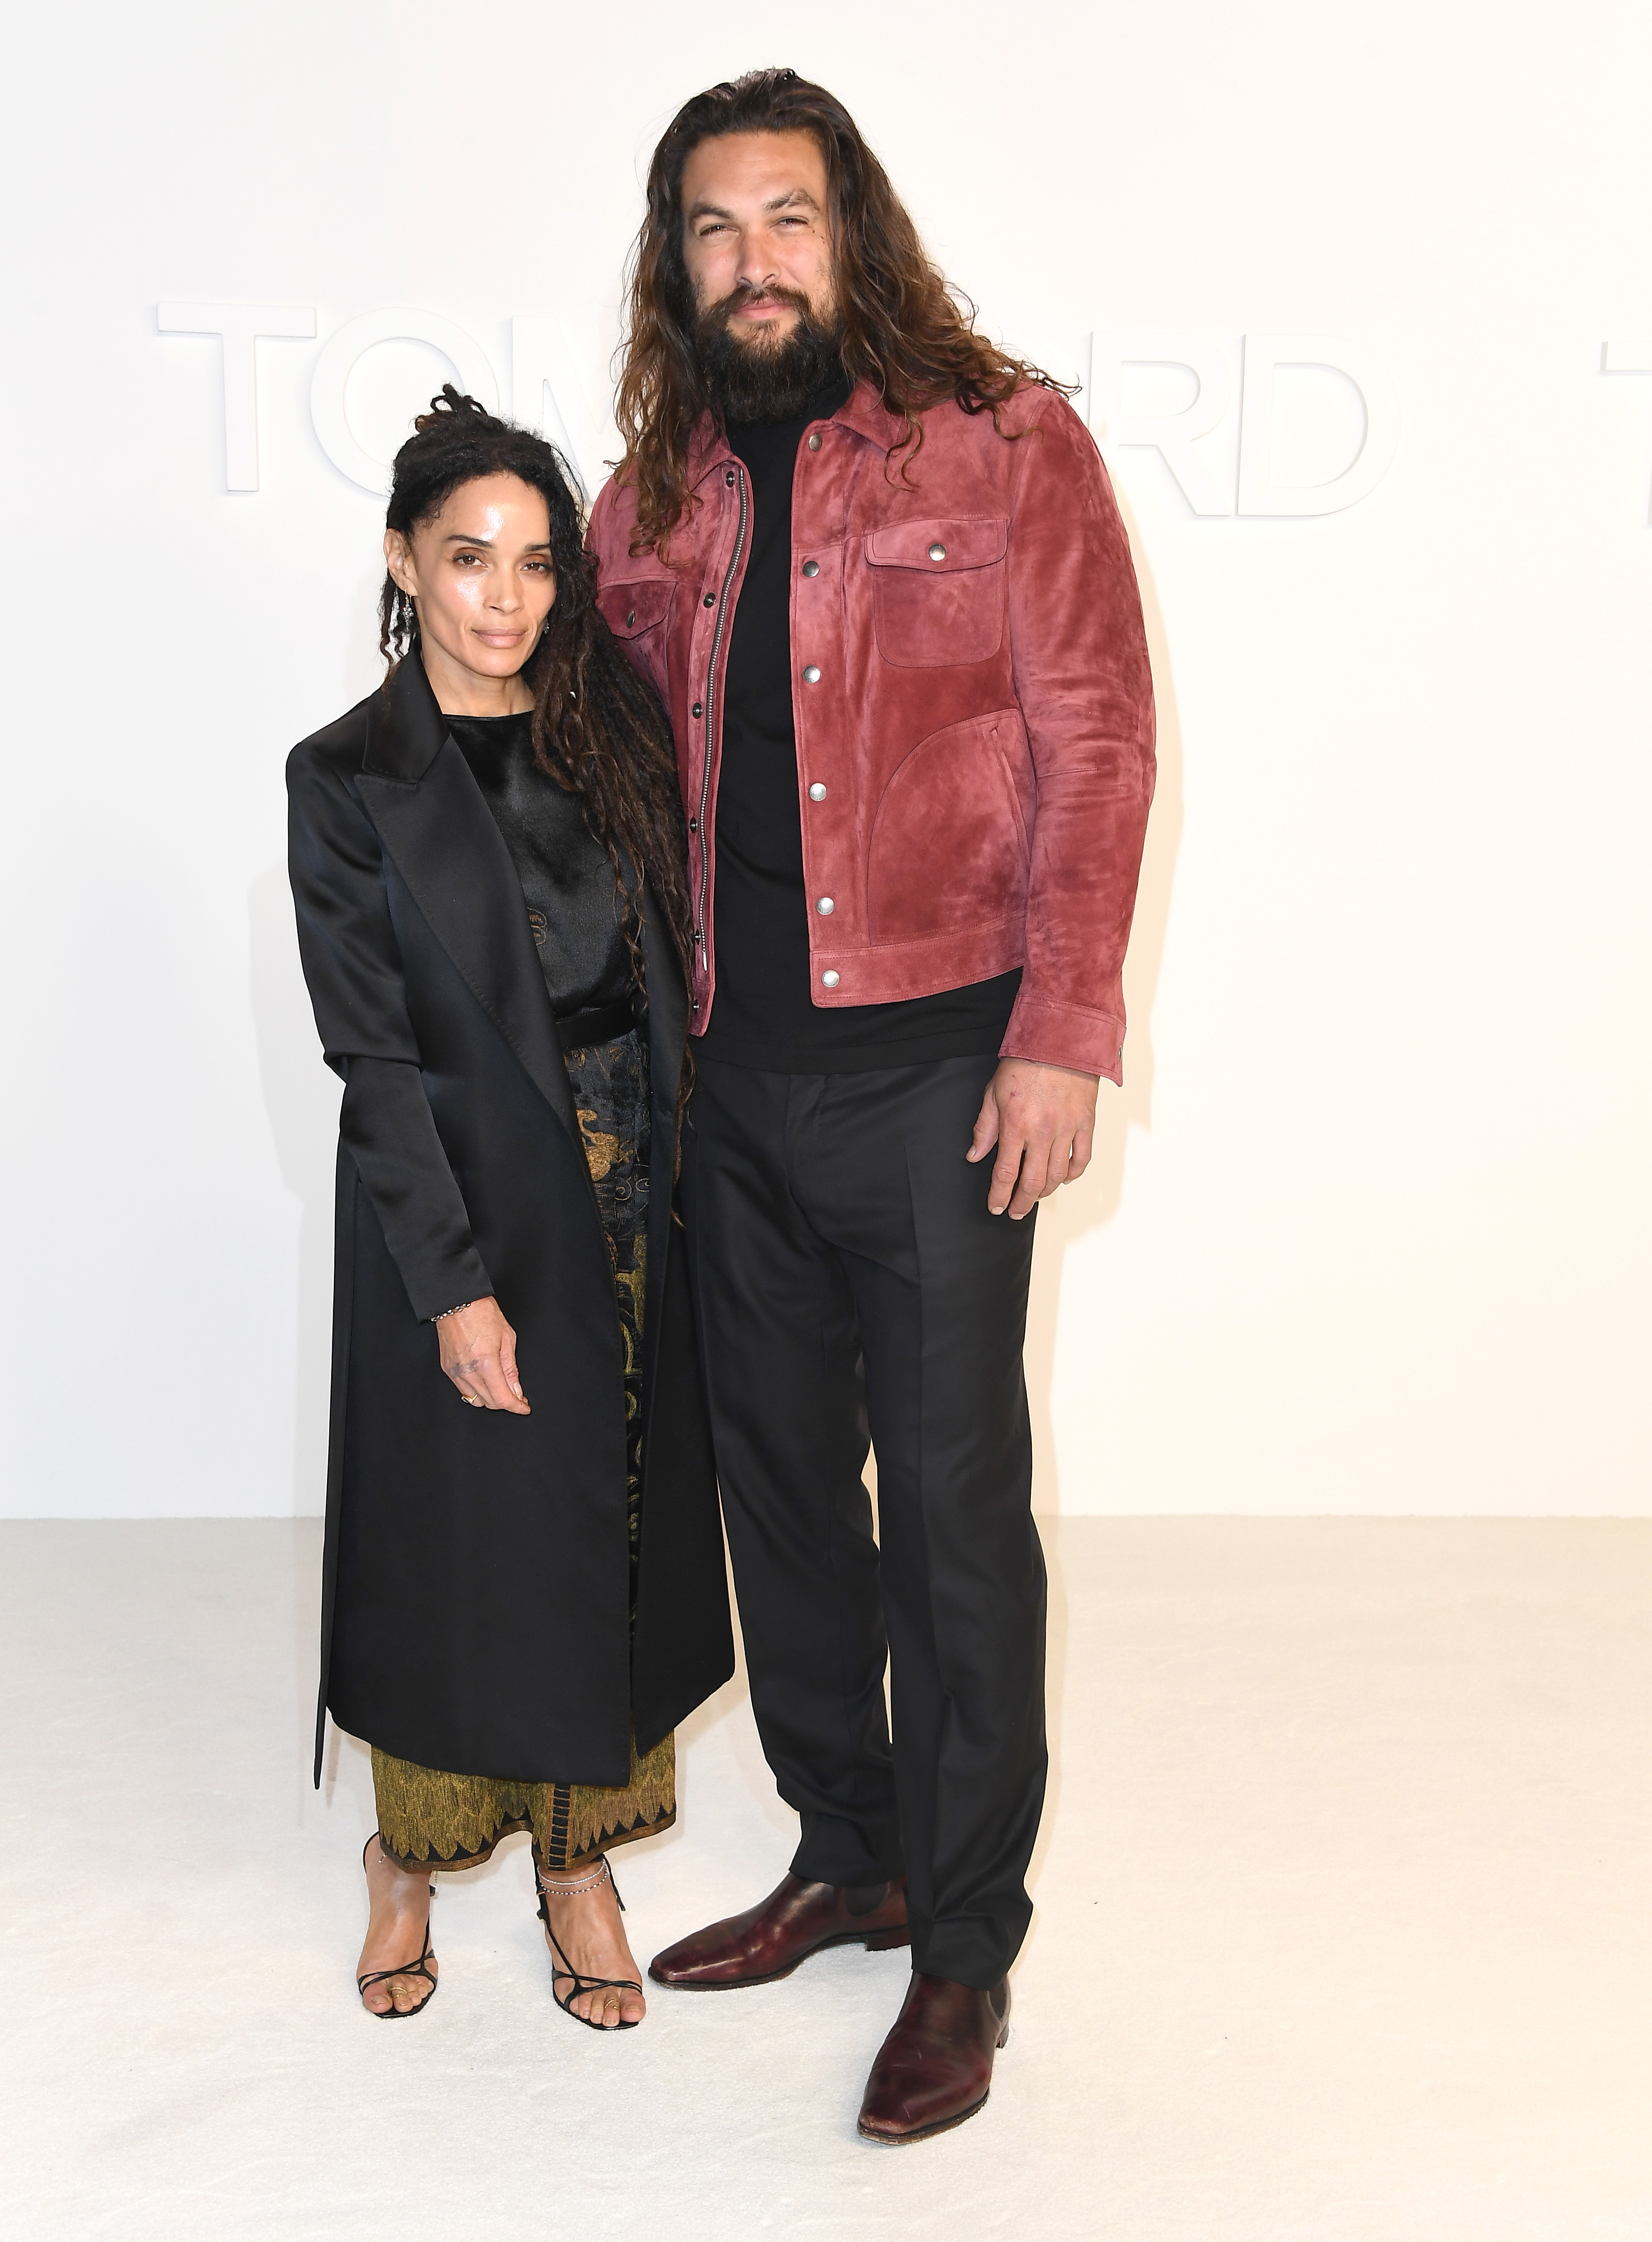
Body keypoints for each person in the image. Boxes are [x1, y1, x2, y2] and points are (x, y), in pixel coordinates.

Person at [587, 71, 1155, 2136]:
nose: (754, 260)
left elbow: (1096, 742)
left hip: (938, 1068)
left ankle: (966, 1950)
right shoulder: (649, 497)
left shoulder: (1005, 445)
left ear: (856, 232)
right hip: (730, 1079)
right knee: (780, 1505)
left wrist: (1061, 1026)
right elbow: (607, 777)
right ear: (679, 261)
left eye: (789, 219)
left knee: (952, 1521)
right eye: (715, 228)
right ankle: (851, 1848)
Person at [288, 389, 732, 2030]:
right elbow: (372, 1053)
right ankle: (408, 1856)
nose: (506, 596)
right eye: (468, 557)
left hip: (629, 1193)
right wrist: (452, 1290)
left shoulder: (607, 731)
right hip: (458, 1215)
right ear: (404, 560)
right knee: (454, 1546)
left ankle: (578, 1863)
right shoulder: (344, 777)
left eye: (538, 562)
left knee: (611, 1525)